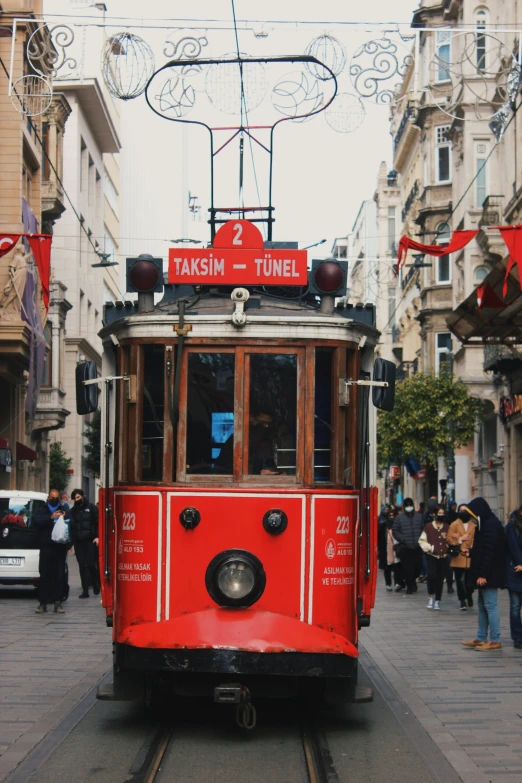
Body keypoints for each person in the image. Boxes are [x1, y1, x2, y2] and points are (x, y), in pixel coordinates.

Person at [460, 498, 506, 651]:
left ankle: (495, 639)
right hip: (484, 572)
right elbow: (481, 548)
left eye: (472, 513)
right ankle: (480, 637)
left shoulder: (491, 525)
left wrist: (483, 575)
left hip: (489, 573)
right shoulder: (484, 524)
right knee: (482, 605)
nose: (471, 517)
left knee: (490, 606)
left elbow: (490, 552)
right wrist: (471, 552)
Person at [33, 488, 69, 614]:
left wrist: (64, 519)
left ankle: (57, 602)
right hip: (46, 547)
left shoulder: (64, 509)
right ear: (48, 498)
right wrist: (51, 517)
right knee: (44, 575)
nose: (54, 500)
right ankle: (42, 603)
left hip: (59, 547)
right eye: (52, 498)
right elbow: (37, 521)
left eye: (56, 498)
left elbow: (71, 524)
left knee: (59, 575)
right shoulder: (42, 510)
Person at [69, 488, 100, 599]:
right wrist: (70, 544)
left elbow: (97, 522)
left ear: (83, 496)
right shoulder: (73, 511)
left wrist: (97, 536)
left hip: (90, 540)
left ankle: (96, 584)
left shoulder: (92, 508)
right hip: (79, 542)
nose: (77, 500)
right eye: (75, 498)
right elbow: (71, 527)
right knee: (82, 565)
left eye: (78, 497)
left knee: (91, 564)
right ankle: (85, 590)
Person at [419, 505, 449, 610]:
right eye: (439, 513)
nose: (441, 515)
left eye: (443, 513)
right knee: (431, 575)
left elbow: (450, 540)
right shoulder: (429, 527)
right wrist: (430, 548)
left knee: (440, 578)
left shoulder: (446, 527)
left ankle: (438, 600)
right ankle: (430, 596)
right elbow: (422, 540)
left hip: (443, 557)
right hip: (432, 555)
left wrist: (448, 547)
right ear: (434, 514)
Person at [447, 504, 476, 610]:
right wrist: (460, 539)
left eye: (465, 510)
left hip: (470, 556)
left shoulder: (474, 525)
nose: (463, 512)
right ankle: (462, 600)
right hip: (458, 555)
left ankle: (469, 594)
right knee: (459, 580)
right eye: (461, 510)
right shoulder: (454, 524)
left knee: (469, 581)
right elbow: (449, 539)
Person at [392, 498, 423, 595]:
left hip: (417, 547)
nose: (409, 507)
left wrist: (421, 539)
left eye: (410, 505)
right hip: (405, 548)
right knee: (408, 568)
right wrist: (403, 539)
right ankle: (410, 586)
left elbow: (423, 528)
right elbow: (395, 531)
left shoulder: (419, 517)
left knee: (417, 568)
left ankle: (413, 580)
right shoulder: (399, 518)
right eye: (407, 505)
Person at [505, 506, 522, 649]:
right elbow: (513, 547)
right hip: (514, 570)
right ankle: (517, 637)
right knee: (515, 607)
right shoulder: (511, 526)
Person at [378, 507, 403, 592]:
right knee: (387, 567)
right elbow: (379, 539)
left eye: (393, 515)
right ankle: (388, 584)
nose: (391, 517)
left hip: (395, 548)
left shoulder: (398, 526)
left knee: (397, 566)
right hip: (386, 549)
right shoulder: (383, 526)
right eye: (390, 515)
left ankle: (397, 583)